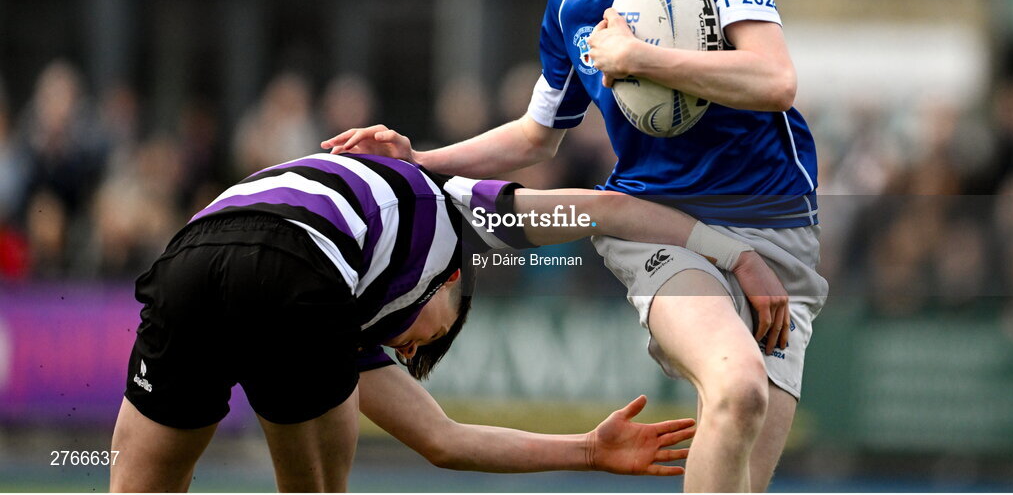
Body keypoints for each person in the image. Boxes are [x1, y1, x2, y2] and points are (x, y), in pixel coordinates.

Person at [324, 0, 828, 493]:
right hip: (657, 227)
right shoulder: (567, 4)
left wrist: (640, 57)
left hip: (778, 226)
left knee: (743, 460)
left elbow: (774, 80)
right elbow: (536, 137)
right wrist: (421, 160)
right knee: (737, 387)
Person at [110, 149, 793, 492]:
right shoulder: (462, 213)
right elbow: (605, 210)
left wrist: (587, 449)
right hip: (293, 260)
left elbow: (441, 438)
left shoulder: (359, 317)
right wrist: (735, 254)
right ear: (453, 281)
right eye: (431, 336)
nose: (407, 347)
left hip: (188, 262)